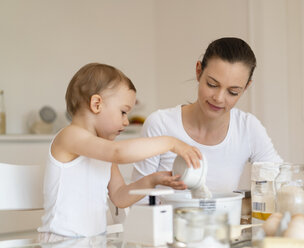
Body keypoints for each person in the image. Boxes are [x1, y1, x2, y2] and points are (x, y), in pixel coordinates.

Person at [37, 63, 202, 240]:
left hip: (94, 240)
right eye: (123, 112)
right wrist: (170, 142)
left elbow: (120, 196)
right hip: (61, 240)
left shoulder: (103, 151)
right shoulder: (70, 136)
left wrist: (152, 180)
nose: (126, 122)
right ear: (96, 104)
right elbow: (119, 153)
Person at [132, 37, 282, 193]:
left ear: (245, 88)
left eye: (233, 92)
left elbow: (282, 180)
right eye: (212, 84)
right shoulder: (160, 124)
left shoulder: (247, 128)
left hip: (223, 218)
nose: (218, 98)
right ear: (198, 71)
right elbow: (137, 198)